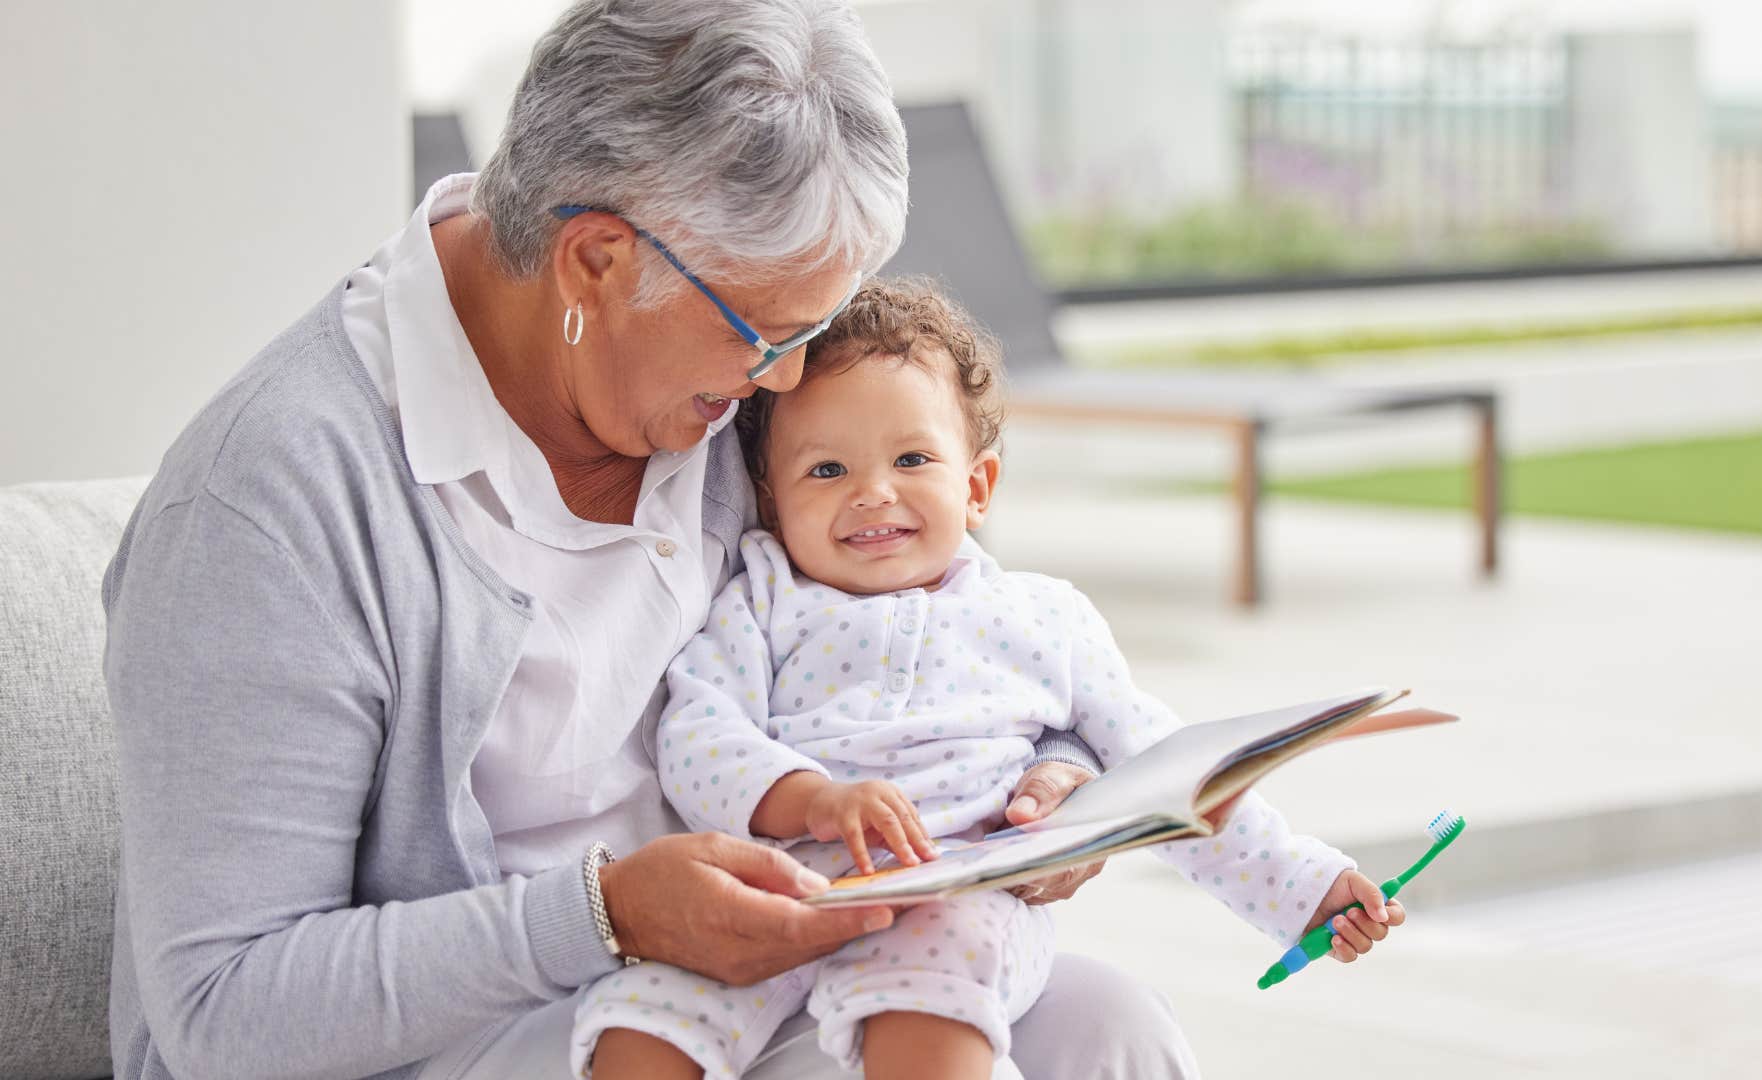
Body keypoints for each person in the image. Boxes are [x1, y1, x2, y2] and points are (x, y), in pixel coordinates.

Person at [100, 3, 1198, 1077]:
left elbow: (928, 624)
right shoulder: (272, 504)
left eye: (810, 329)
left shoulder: (704, 392)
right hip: (466, 1027)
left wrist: (1053, 778)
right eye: (764, 332)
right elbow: (218, 1013)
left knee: (1114, 1032)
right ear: (595, 261)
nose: (785, 380)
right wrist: (606, 916)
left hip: (756, 968)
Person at [572, 280, 1409, 1080]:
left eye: (910, 459)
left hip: (962, 895)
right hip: (778, 889)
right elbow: (697, 734)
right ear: (770, 497)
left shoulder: (1043, 617)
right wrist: (811, 802)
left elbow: (1168, 769)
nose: (872, 494)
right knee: (643, 1012)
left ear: (976, 487)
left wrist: (1302, 886)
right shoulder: (761, 597)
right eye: (826, 471)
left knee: (928, 1006)